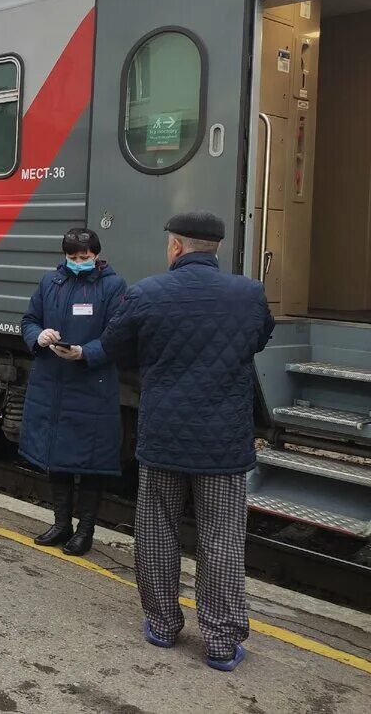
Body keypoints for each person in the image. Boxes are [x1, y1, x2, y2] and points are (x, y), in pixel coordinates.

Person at [97, 211, 274, 672]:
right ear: (214, 248)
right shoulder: (249, 294)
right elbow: (260, 339)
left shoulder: (147, 293)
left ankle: (161, 624)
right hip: (223, 442)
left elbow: (115, 348)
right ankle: (220, 642)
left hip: (163, 435)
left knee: (157, 528)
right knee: (222, 538)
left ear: (175, 247)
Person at [19, 227, 127, 556]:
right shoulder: (50, 282)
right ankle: (61, 523)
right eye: (72, 257)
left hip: (91, 384)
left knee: (92, 462)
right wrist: (38, 337)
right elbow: (29, 320)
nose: (78, 262)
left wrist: (85, 353)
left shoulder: (113, 286)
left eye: (84, 258)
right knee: (57, 457)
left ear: (96, 256)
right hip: (53, 383)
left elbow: (118, 335)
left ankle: (86, 530)